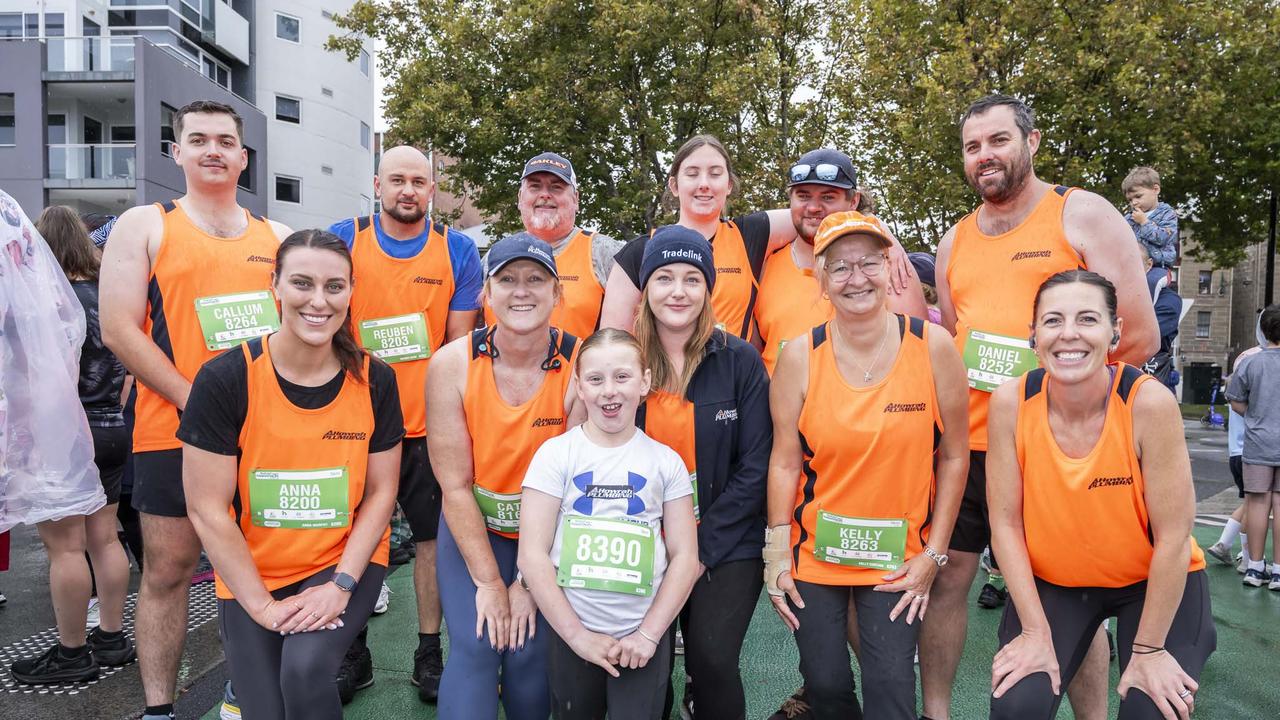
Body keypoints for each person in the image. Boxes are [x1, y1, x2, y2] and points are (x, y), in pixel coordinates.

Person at [923, 94, 1161, 720]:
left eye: (998, 141)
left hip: (1061, 445)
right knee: (949, 580)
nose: (985, 157)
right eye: (973, 147)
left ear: (1030, 143)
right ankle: (937, 712)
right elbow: (957, 344)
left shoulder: (1080, 213)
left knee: (1069, 587)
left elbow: (1137, 333)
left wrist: (1051, 386)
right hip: (973, 447)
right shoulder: (954, 241)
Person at [100, 100, 292, 720]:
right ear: (176, 151)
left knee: (260, 569)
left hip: (265, 437)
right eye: (198, 139)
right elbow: (118, 330)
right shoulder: (145, 224)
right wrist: (197, 404)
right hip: (172, 431)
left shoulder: (277, 238)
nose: (214, 149)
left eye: (226, 141)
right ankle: (159, 708)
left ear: (243, 157)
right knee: (167, 571)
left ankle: (249, 691)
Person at [181, 230, 402, 719]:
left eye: (334, 286)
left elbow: (383, 492)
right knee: (264, 708)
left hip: (340, 561)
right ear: (274, 285)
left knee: (303, 674)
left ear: (350, 291)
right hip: (253, 570)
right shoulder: (225, 379)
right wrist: (260, 606)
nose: (318, 301)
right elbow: (207, 508)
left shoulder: (375, 380)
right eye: (302, 283)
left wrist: (341, 584)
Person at [763, 212, 968, 719]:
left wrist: (934, 555)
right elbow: (786, 462)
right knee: (826, 682)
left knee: (892, 685)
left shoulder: (933, 346)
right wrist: (775, 553)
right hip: (815, 553)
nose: (857, 278)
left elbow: (956, 456)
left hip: (896, 559)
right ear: (822, 281)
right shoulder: (800, 356)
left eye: (869, 263)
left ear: (888, 266)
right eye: (841, 268)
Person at [987, 270, 1214, 719]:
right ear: (1033, 335)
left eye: (1087, 319)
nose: (1068, 334)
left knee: (1152, 710)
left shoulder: (1147, 404)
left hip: (1153, 581)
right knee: (1018, 707)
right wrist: (1034, 632)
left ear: (1115, 332)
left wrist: (1148, 651)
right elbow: (1006, 524)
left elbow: (1173, 536)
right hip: (1060, 583)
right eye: (1053, 321)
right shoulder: (1010, 402)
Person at [328, 145, 484, 703]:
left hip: (425, 429)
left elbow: (459, 348)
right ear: (377, 184)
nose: (408, 191)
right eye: (397, 180)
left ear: (432, 189)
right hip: (351, 423)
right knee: (350, 539)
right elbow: (323, 325)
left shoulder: (457, 250)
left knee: (429, 542)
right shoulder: (344, 237)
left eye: (419, 181)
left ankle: (428, 652)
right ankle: (352, 652)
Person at [425, 233, 583, 720]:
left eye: (537, 279)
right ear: (486, 294)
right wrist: (493, 583)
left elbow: (575, 489)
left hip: (551, 530)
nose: (522, 291)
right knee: (477, 645)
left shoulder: (582, 366)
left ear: (558, 295)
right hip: (476, 529)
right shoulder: (451, 364)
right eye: (507, 279)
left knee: (527, 654)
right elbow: (454, 486)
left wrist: (528, 583)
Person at [625, 225, 771, 720]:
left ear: (709, 288)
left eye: (692, 278)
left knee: (712, 660)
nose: (678, 291)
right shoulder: (625, 360)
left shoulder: (740, 360)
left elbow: (756, 467)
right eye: (664, 277)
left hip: (724, 542)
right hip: (643, 537)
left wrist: (699, 550)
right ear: (646, 287)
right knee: (645, 663)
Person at [518, 328, 700, 720]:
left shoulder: (665, 462)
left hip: (642, 640)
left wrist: (649, 634)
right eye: (596, 380)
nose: (609, 391)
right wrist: (577, 636)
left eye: (622, 377)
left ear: (645, 382)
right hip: (573, 635)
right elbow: (532, 556)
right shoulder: (555, 455)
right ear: (580, 387)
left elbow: (685, 557)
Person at [602, 135, 916, 339]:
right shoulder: (638, 252)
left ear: (728, 185)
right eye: (692, 173)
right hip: (659, 399)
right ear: (674, 185)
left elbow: (816, 218)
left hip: (730, 401)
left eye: (715, 173)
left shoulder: (750, 235)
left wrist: (879, 230)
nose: (704, 184)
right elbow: (612, 343)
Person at [8, 206, 135, 684]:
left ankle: (71, 652)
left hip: (64, 435)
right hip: (111, 427)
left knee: (65, 549)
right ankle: (111, 637)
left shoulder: (46, 303)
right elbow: (126, 372)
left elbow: (36, 380)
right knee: (105, 537)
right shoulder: (108, 296)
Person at [753, 149, 927, 374]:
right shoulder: (764, 265)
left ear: (853, 201)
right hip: (780, 406)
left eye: (828, 197)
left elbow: (916, 353)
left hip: (861, 404)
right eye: (803, 195)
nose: (814, 207)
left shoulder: (887, 265)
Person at [482, 152, 624, 339]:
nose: (545, 195)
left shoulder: (605, 252)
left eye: (556, 188)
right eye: (535, 187)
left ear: (576, 199)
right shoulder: (494, 257)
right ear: (519, 198)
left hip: (580, 367)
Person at [1226, 303, 1280, 590]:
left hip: (1258, 443)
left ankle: (1255, 567)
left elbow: (1235, 399)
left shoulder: (1251, 362)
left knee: (1257, 504)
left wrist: (1254, 413)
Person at [1206, 342, 1264, 569]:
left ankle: (1227, 544)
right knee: (1258, 503)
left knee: (1251, 503)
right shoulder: (1264, 362)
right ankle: (1247, 558)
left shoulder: (1245, 363)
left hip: (1236, 451)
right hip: (1254, 451)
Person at [1122, 166, 1179, 271]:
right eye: (1130, 200)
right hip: (1135, 266)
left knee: (1152, 283)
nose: (1134, 202)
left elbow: (1163, 238)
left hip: (1159, 266)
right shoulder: (1129, 218)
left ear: (1156, 189)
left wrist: (1144, 222)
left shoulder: (1167, 214)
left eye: (1138, 196)